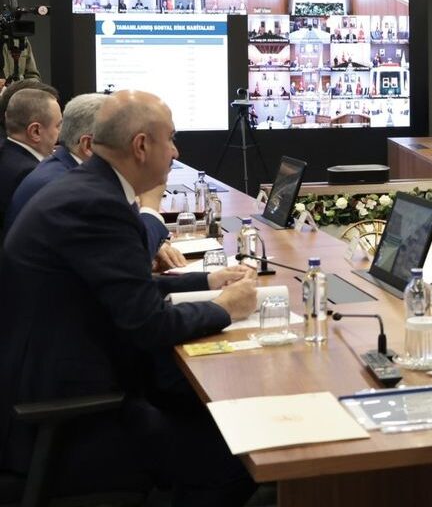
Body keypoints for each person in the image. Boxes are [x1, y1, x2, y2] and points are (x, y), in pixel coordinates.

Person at [0, 90, 258, 506]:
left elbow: (126, 291)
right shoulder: (96, 205)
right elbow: (148, 324)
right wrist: (224, 308)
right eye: (171, 139)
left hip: (64, 385)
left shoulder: (88, 188)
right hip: (70, 418)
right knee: (239, 459)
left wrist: (209, 281)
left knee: (204, 411)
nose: (175, 152)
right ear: (141, 146)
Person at [3, 92, 184, 268]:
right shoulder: (70, 189)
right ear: (88, 145)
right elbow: (127, 262)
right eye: (120, 142)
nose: (135, 154)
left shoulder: (62, 169)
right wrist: (150, 205)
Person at [0, 87, 60, 228]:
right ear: (35, 131)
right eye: (58, 125)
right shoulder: (33, 175)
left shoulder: (5, 153)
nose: (61, 133)